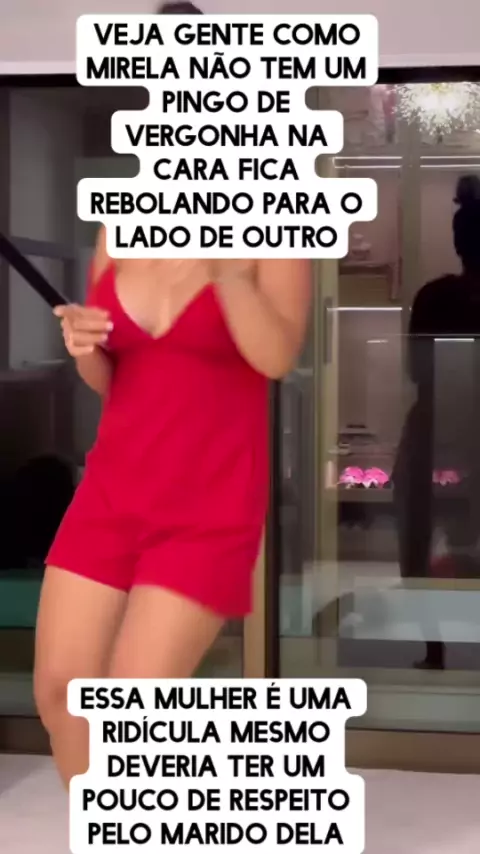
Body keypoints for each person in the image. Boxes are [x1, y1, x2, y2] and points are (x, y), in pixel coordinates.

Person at [34, 235, 310, 785]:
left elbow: (277, 357)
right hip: (111, 491)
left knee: (133, 708)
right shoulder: (118, 227)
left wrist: (227, 275)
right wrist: (83, 345)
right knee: (62, 692)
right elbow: (111, 378)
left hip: (211, 504)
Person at [393, 174, 480, 669]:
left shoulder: (433, 297)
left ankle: (434, 649)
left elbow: (415, 369)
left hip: (433, 427)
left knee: (417, 539)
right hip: (463, 432)